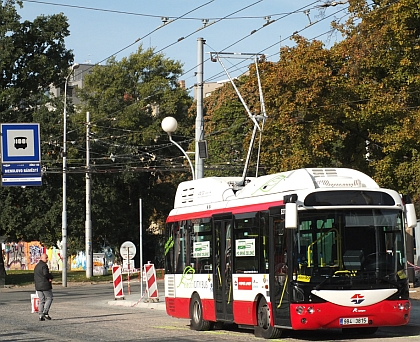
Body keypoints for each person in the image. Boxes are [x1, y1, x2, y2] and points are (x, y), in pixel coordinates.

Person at [34, 253, 53, 321]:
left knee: (41, 300)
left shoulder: (37, 266)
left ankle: (40, 315)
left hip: (38, 286)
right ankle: (45, 312)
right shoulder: (44, 265)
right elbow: (45, 274)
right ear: (41, 258)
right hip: (45, 285)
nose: (47, 259)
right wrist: (50, 277)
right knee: (49, 298)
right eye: (46, 258)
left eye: (47, 257)